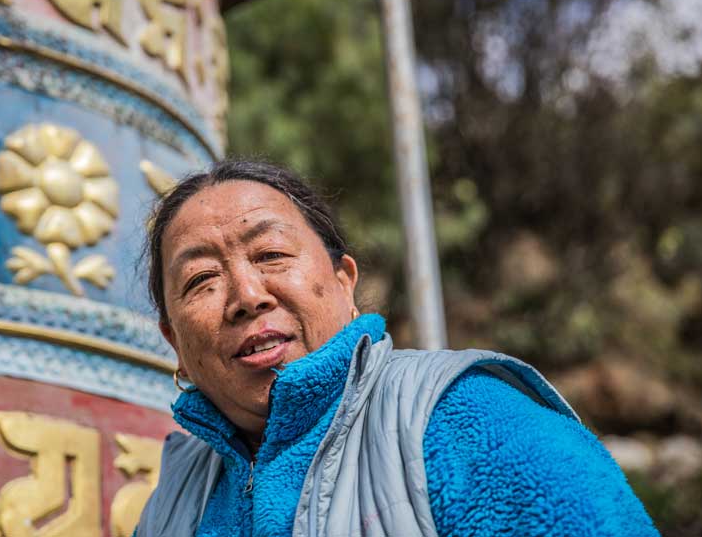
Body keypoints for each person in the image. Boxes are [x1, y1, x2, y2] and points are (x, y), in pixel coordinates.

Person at [135, 160, 659, 536]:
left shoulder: (466, 419)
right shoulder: (173, 500)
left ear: (344, 282)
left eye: (271, 253)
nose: (247, 296)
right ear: (174, 342)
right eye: (201, 280)